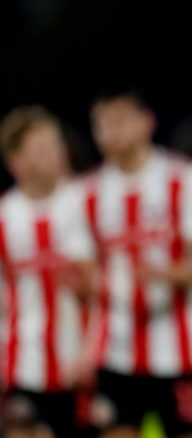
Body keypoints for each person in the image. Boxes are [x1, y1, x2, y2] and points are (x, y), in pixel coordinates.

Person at [82, 89, 192, 438]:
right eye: (102, 124)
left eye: (118, 121)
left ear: (146, 122)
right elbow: (86, 271)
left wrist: (162, 274)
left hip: (178, 349)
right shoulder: (85, 191)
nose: (109, 132)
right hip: (114, 351)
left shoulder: (188, 178)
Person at [0, 106, 95, 438]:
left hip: (83, 364)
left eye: (57, 144)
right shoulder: (3, 216)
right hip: (22, 366)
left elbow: (102, 288)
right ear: (17, 162)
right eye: (42, 149)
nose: (56, 154)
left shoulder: (86, 203)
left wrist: (91, 348)